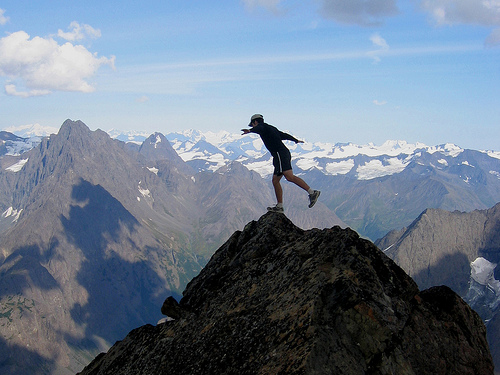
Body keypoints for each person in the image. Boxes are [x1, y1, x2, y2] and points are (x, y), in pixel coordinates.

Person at [241, 114, 320, 213]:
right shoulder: (271, 128)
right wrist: (295, 140)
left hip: (280, 154)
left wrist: (250, 131)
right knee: (275, 180)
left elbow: (259, 128)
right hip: (281, 155)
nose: (253, 127)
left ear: (255, 122)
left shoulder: (263, 127)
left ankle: (312, 192)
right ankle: (279, 206)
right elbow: (283, 135)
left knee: (289, 177)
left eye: (252, 125)